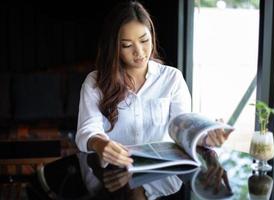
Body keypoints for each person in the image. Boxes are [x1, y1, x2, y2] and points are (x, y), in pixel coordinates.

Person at [75, 1, 229, 168]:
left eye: (144, 40)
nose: (139, 52)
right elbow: (87, 130)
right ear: (114, 47)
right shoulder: (96, 81)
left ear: (152, 36)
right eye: (127, 45)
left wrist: (207, 137)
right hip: (114, 173)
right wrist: (100, 144)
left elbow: (183, 128)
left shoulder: (172, 78)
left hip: (162, 172)